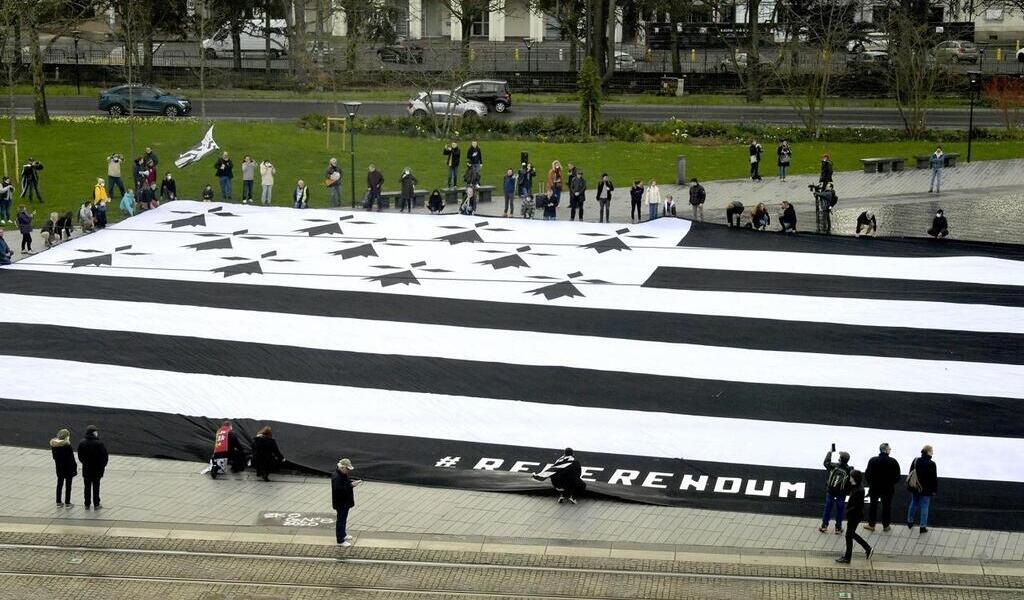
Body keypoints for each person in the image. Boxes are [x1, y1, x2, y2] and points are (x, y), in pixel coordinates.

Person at [835, 470, 872, 564]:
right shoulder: (856, 486)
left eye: (851, 476)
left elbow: (857, 506)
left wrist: (848, 511)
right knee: (850, 535)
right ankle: (867, 549)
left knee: (849, 535)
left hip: (855, 516)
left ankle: (848, 557)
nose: (849, 478)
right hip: (855, 515)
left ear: (854, 478)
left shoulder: (859, 490)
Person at [864, 443, 901, 532]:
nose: (890, 450)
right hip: (888, 488)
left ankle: (871, 525)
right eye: (889, 449)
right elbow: (897, 476)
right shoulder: (893, 461)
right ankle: (886, 525)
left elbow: (867, 474)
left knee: (873, 506)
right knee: (887, 507)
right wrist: (891, 483)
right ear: (886, 450)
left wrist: (871, 483)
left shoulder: (873, 460)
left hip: (874, 487)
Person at [820, 448, 853, 534]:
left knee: (827, 508)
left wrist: (830, 452)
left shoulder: (833, 466)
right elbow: (851, 482)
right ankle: (838, 528)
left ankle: (824, 526)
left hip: (831, 491)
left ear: (840, 459)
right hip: (841, 493)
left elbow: (825, 462)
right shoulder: (849, 470)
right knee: (840, 510)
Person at [907, 445, 938, 533]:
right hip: (926, 489)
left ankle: (910, 522)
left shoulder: (916, 460)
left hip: (915, 487)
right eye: (932, 451)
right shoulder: (932, 464)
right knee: (924, 506)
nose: (933, 452)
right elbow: (933, 479)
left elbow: (911, 472)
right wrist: (934, 490)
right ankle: (922, 527)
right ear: (928, 452)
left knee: (913, 503)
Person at [331, 458, 362, 546]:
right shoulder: (337, 477)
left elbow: (345, 483)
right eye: (347, 469)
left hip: (344, 502)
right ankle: (340, 540)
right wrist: (351, 485)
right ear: (343, 467)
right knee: (341, 520)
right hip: (341, 503)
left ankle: (343, 534)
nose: (348, 471)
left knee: (343, 520)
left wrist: (351, 483)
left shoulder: (341, 474)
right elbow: (340, 490)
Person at [77, 425, 108, 509]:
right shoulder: (99, 444)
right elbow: (104, 457)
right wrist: (102, 466)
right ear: (93, 433)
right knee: (96, 487)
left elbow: (80, 456)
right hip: (97, 470)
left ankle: (87, 504)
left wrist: (85, 463)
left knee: (87, 487)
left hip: (86, 469)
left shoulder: (82, 443)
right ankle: (96, 504)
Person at [50, 428, 77, 507]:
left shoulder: (54, 445)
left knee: (59, 484)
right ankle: (67, 502)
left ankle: (58, 501)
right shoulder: (67, 446)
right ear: (66, 436)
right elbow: (71, 458)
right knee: (68, 485)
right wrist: (74, 467)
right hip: (68, 468)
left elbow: (54, 457)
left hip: (59, 468)